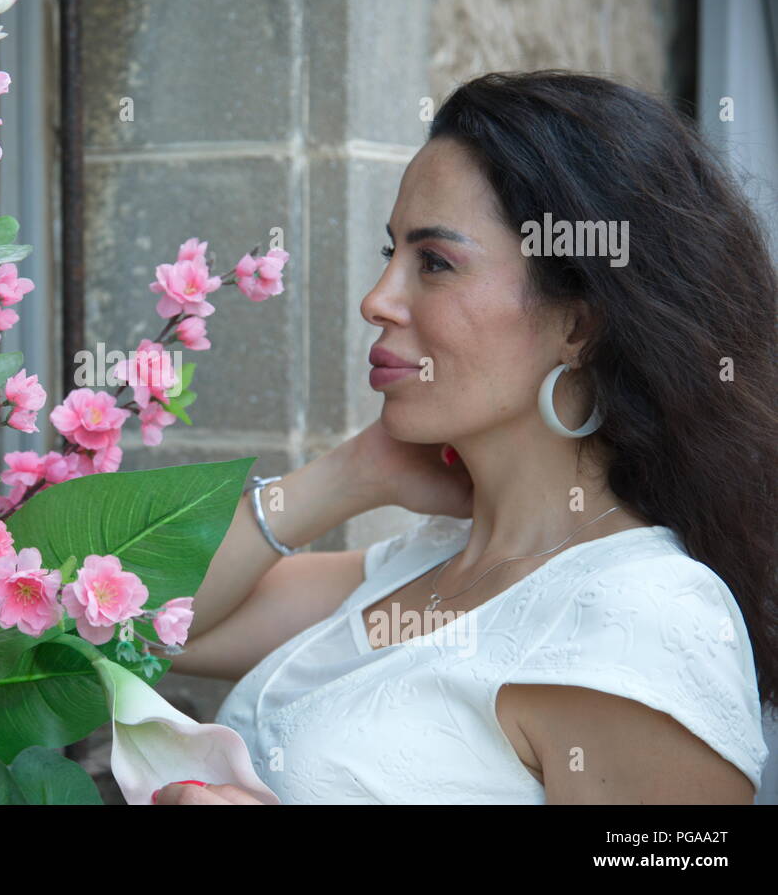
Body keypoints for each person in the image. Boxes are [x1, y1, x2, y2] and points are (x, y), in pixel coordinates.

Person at [155, 70, 777, 805]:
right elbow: (152, 628)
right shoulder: (422, 565)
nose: (377, 299)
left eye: (436, 263)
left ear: (578, 324)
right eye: (389, 253)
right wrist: (354, 471)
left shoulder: (646, 616)